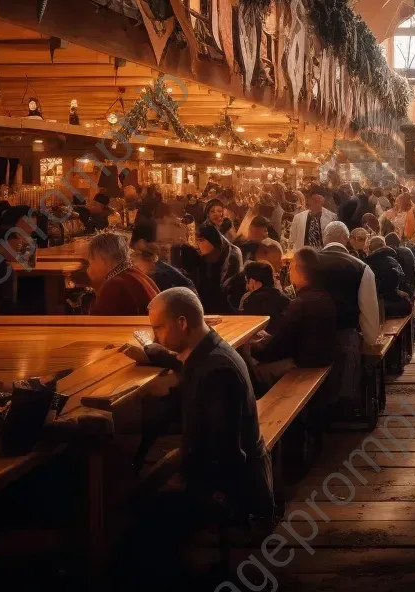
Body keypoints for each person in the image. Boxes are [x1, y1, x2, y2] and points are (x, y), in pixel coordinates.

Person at [122, 287, 273, 583]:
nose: (154, 337)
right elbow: (181, 366)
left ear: (181, 323)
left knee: (138, 522)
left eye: (158, 328)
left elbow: (227, 453)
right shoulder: (205, 352)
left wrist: (186, 482)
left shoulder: (216, 371)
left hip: (234, 485)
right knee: (142, 491)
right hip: (221, 468)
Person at [311, 221, 381, 405]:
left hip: (312, 336)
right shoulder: (361, 267)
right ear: (345, 239)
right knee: (345, 381)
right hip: (346, 335)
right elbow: (368, 308)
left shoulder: (308, 264)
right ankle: (345, 404)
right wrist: (371, 339)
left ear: (325, 239)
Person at [249, 248, 337, 387]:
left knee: (253, 372)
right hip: (322, 359)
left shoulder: (301, 303)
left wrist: (254, 350)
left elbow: (280, 346)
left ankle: (267, 408)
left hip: (305, 364)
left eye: (290, 266)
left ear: (298, 270)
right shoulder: (324, 295)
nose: (288, 271)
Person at [87, 231, 160, 315]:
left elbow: (98, 321)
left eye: (91, 261)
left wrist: (95, 286)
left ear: (102, 257)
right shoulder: (135, 274)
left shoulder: (115, 285)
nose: (89, 268)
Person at [189, 224, 243, 315]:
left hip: (229, 306)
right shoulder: (203, 257)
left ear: (213, 240)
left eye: (201, 241)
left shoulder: (232, 254)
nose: (198, 245)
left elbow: (230, 287)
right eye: (197, 241)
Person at [129, 234, 195, 293]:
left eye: (137, 265)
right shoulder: (153, 269)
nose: (135, 268)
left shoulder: (160, 273)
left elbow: (187, 284)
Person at [366, 236, 413, 318]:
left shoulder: (373, 263)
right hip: (398, 302)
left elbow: (384, 290)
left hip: (385, 303)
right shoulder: (392, 260)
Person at [237, 260, 291, 330]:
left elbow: (244, 328)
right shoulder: (285, 299)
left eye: (247, 280)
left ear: (253, 281)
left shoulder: (249, 300)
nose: (246, 284)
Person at [289, 185, 336, 249]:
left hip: (323, 254)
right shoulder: (298, 218)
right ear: (309, 200)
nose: (315, 202)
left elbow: (333, 240)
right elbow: (292, 239)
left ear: (323, 201)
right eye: (313, 200)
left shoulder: (332, 217)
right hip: (303, 254)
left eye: (317, 201)